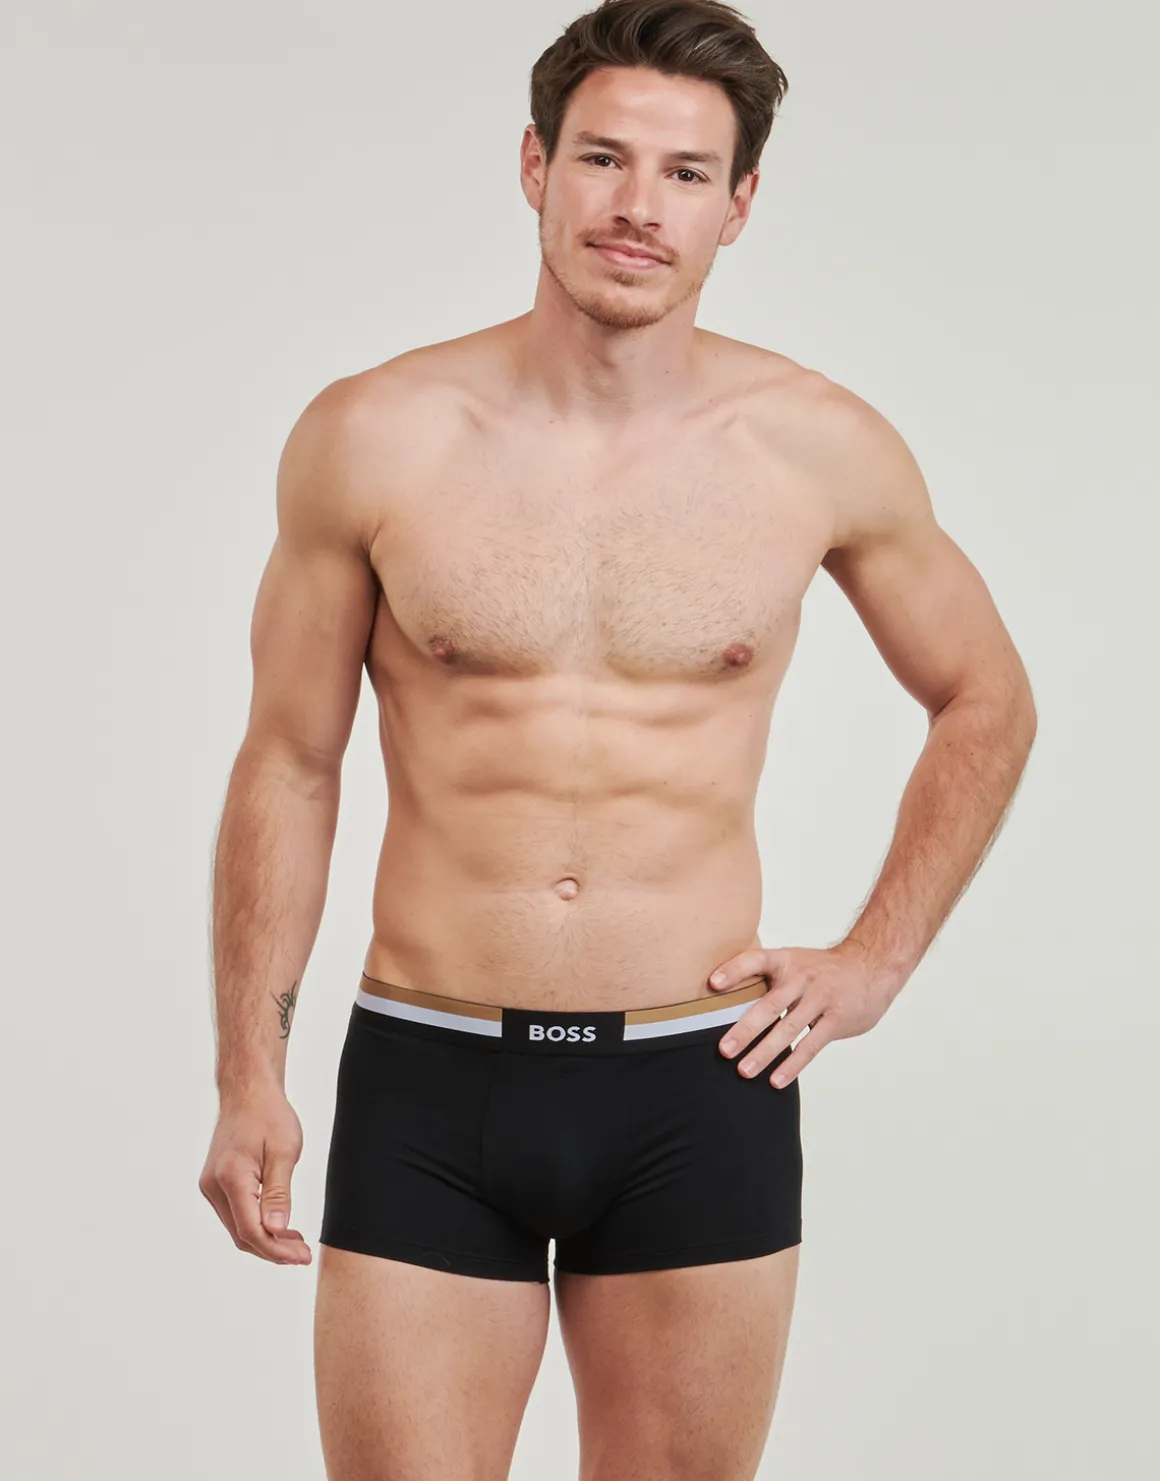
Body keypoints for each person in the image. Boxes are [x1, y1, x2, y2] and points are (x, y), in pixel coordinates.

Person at [198, 2, 1037, 1477]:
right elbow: (290, 760)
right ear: (535, 166)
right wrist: (246, 1075)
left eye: (686, 173)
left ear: (739, 204)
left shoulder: (816, 446)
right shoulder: (378, 434)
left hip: (696, 1086)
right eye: (602, 157)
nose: (638, 205)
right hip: (432, 1070)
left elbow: (987, 697)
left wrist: (877, 959)